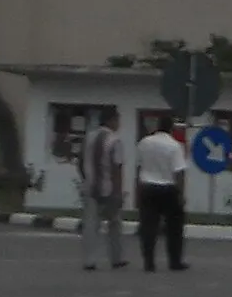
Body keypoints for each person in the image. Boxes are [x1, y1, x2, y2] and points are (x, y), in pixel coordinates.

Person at [135, 116, 190, 272]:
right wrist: (181, 194)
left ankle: (149, 261)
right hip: (168, 188)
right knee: (174, 227)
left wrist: (138, 189)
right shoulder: (174, 146)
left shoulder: (144, 143)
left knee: (148, 226)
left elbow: (139, 167)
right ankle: (175, 261)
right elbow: (179, 172)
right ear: (171, 129)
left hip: (147, 186)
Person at [78, 107, 126, 271]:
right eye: (118, 119)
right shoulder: (115, 140)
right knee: (114, 224)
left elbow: (80, 162)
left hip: (90, 188)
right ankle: (116, 258)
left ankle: (89, 260)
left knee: (91, 225)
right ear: (112, 120)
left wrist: (87, 179)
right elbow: (116, 168)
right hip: (109, 189)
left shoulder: (89, 138)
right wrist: (118, 192)